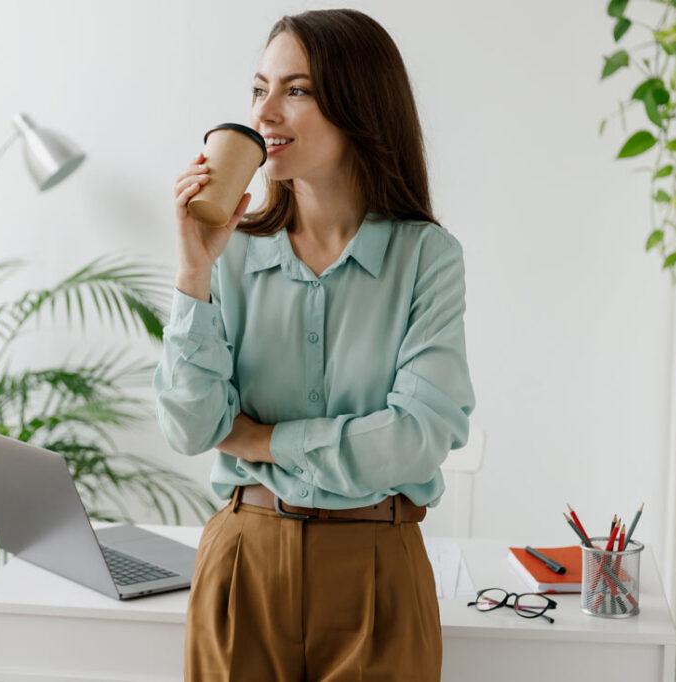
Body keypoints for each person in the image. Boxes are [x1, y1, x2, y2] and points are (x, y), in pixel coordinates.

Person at [153, 8, 475, 681]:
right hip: (245, 562)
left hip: (379, 570)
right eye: (259, 89)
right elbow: (190, 427)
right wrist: (193, 274)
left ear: (362, 105)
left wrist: (263, 441)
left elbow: (418, 436)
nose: (264, 113)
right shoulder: (232, 255)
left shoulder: (426, 258)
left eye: (296, 90)